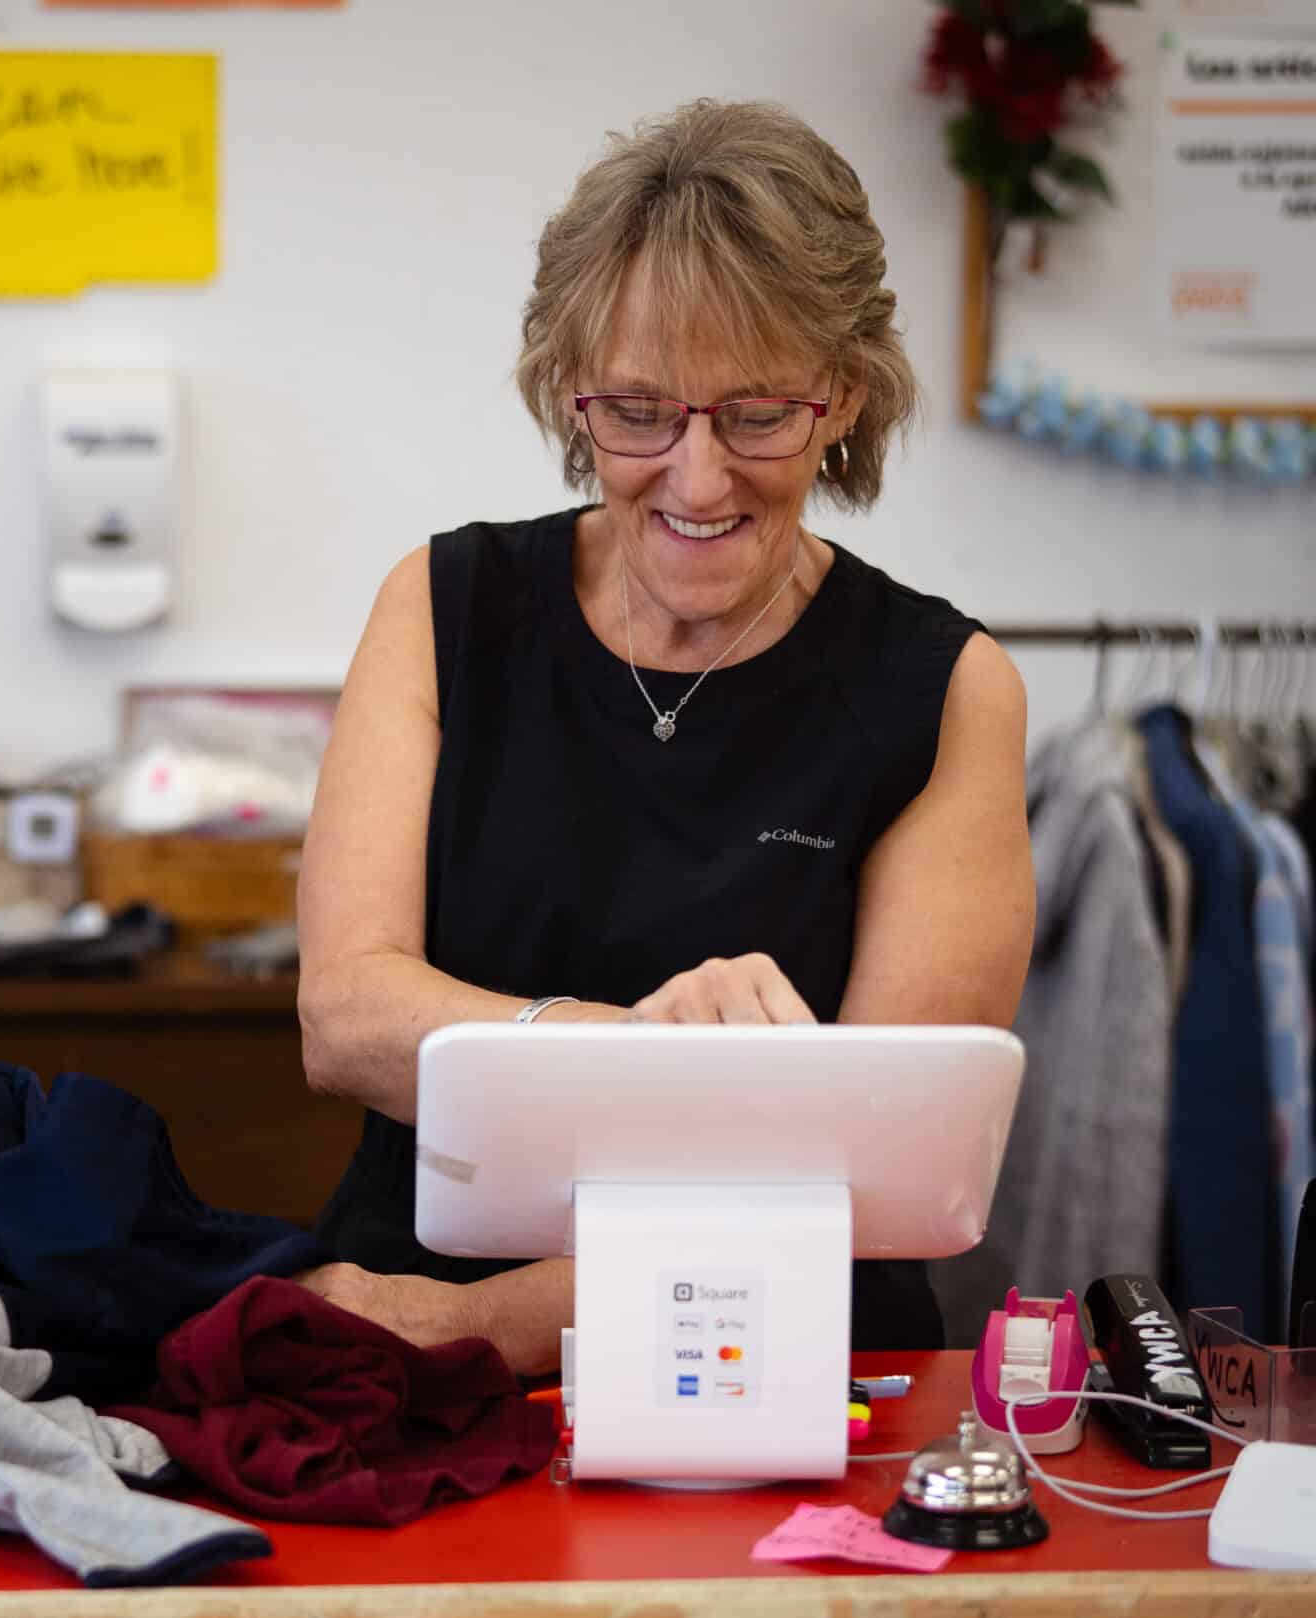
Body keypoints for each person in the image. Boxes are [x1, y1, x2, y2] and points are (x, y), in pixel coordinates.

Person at [291, 99, 1035, 1375]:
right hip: (399, 1341)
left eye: (754, 413)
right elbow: (347, 1017)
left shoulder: (943, 688)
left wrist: (489, 1325)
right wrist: (639, 1051)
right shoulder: (440, 607)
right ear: (571, 398)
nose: (695, 479)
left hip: (777, 1361)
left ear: (840, 396)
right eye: (638, 412)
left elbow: (871, 1167)